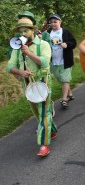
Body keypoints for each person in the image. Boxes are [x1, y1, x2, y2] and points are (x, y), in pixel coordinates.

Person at [6, 17, 57, 157]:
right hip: (28, 83)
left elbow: (45, 62)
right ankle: (51, 130)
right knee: (37, 112)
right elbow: (10, 67)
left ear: (33, 30)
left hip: (42, 81)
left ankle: (43, 145)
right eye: (20, 31)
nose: (23, 33)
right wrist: (20, 72)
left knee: (44, 113)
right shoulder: (17, 48)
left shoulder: (43, 44)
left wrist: (28, 53)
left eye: (26, 30)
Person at [48, 14, 77, 107]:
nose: (53, 24)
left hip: (65, 61)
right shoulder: (48, 33)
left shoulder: (65, 32)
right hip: (53, 62)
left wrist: (67, 44)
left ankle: (64, 99)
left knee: (65, 80)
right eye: (51, 22)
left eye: (55, 22)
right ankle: (70, 93)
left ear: (60, 22)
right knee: (60, 79)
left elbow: (74, 43)